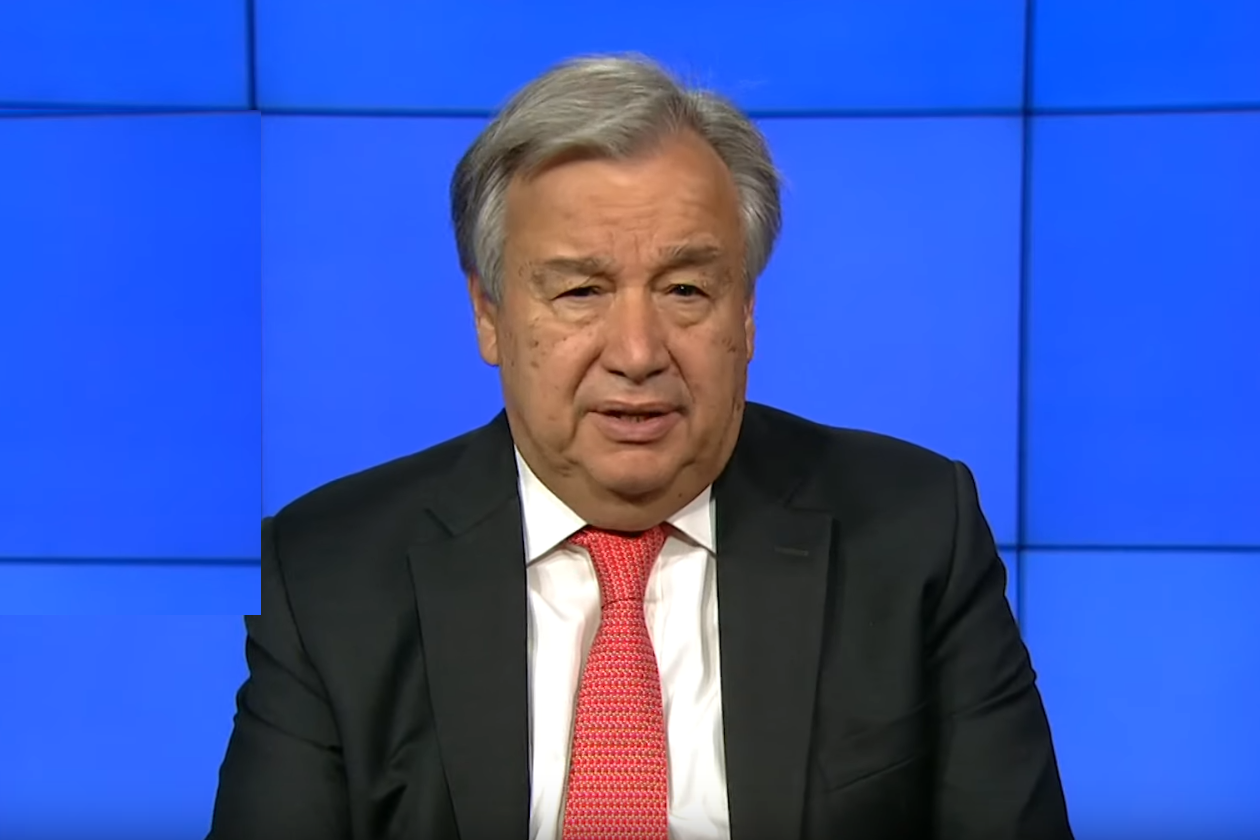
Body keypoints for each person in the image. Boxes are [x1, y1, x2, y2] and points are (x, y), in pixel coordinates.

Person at [209, 54, 1073, 840]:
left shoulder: (913, 534)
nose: (636, 352)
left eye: (685, 289)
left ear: (746, 313)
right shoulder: (332, 571)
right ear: (489, 315)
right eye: (581, 291)